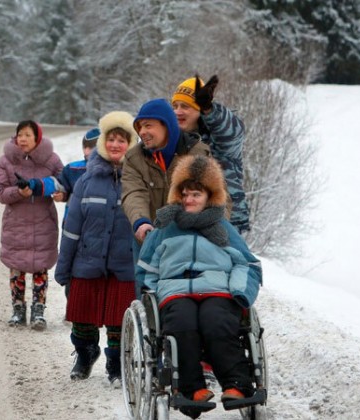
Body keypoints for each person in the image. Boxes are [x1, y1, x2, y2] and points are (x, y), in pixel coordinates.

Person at [136, 155, 262, 418]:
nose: (189, 199)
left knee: (216, 321)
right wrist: (152, 295)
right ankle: (190, 389)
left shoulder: (223, 229)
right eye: (185, 194)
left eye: (196, 194)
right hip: (175, 290)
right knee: (182, 323)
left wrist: (239, 290)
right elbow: (146, 269)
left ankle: (237, 385)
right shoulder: (165, 229)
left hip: (216, 288)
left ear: (209, 196)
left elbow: (248, 265)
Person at [53, 111, 138, 386]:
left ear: (130, 144)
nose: (115, 145)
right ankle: (86, 353)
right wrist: (64, 267)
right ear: (103, 143)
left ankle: (116, 363)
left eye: (121, 140)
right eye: (110, 139)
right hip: (87, 261)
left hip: (123, 264)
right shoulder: (86, 181)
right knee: (82, 317)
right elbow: (71, 228)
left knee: (118, 319)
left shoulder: (137, 182)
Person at [0, 120, 63, 330]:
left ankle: (39, 310)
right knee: (16, 266)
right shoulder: (6, 161)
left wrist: (61, 194)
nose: (22, 139)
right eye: (19, 135)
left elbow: (64, 183)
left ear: (37, 137)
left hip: (43, 221)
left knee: (41, 266)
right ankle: (18, 309)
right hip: (16, 222)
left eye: (27, 135)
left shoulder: (51, 160)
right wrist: (17, 193)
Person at [121, 98, 210, 247]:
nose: (142, 132)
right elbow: (133, 192)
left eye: (148, 126)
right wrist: (140, 221)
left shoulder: (198, 154)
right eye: (140, 127)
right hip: (148, 238)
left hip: (188, 242)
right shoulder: (133, 158)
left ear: (167, 126)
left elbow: (217, 197)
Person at [171, 74, 250, 234]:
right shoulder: (172, 140)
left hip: (224, 223)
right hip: (182, 222)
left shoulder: (219, 140)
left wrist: (209, 109)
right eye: (175, 106)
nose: (178, 112)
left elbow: (230, 132)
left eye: (185, 106)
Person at [52, 128, 100, 224]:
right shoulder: (72, 169)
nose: (86, 152)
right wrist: (62, 195)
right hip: (72, 222)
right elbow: (61, 186)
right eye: (84, 147)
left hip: (96, 225)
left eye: (91, 148)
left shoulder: (112, 171)